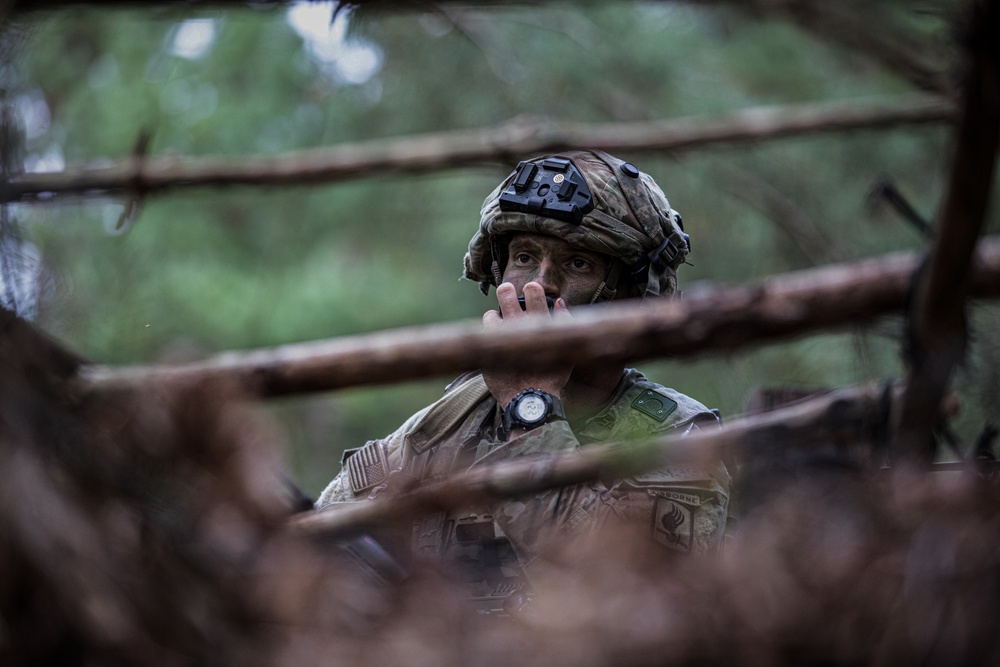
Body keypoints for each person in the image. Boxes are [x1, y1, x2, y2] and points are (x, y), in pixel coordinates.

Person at [316, 149, 730, 612]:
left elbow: (631, 600)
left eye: (578, 264)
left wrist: (530, 405)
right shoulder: (454, 416)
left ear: (638, 295)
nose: (540, 285)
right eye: (524, 257)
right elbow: (322, 543)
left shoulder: (677, 437)